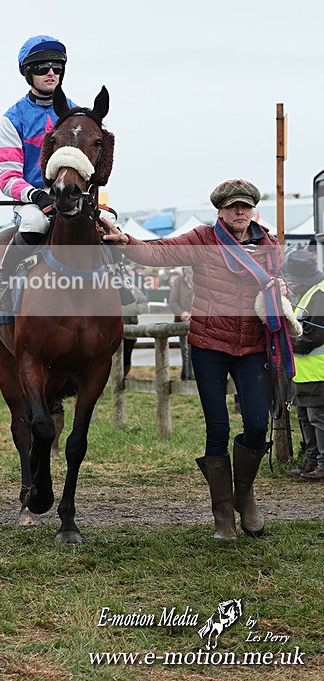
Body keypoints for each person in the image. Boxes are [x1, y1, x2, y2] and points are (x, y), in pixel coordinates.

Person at [102, 179, 292, 541]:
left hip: (253, 347)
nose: (239, 212)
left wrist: (282, 288)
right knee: (217, 428)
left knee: (256, 425)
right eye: (233, 206)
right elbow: (159, 253)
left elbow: (278, 281)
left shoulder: (269, 245)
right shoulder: (204, 238)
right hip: (209, 347)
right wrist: (127, 241)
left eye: (245, 206)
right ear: (220, 210)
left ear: (253, 210)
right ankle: (223, 514)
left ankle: (245, 495)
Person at [0, 34, 76, 309]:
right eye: (42, 67)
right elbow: (6, 176)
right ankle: (2, 280)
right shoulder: (13, 119)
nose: (51, 72)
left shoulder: (75, 113)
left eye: (57, 67)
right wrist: (36, 195)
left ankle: (118, 279)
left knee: (103, 222)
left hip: (71, 192)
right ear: (28, 73)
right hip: (31, 201)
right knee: (35, 224)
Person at [283, 249, 324, 481]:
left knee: (317, 419)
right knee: (306, 419)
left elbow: (313, 337)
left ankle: (321, 464)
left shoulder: (320, 296)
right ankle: (311, 463)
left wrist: (286, 342)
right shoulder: (310, 294)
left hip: (318, 372)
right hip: (305, 373)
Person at [168, 266, 195, 380]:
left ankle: (195, 377)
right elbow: (173, 301)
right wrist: (182, 313)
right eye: (189, 272)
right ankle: (186, 376)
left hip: (198, 321)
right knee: (185, 351)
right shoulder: (179, 282)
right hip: (183, 322)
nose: (190, 275)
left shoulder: (202, 281)